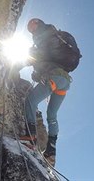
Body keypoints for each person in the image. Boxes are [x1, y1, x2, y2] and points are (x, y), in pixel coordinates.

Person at [20, 18, 73, 166]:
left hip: (55, 76)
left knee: (30, 101)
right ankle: (51, 151)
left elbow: (36, 57)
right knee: (52, 115)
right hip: (64, 81)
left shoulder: (43, 37)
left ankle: (30, 137)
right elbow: (46, 59)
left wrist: (18, 66)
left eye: (32, 26)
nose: (31, 30)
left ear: (37, 24)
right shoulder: (54, 34)